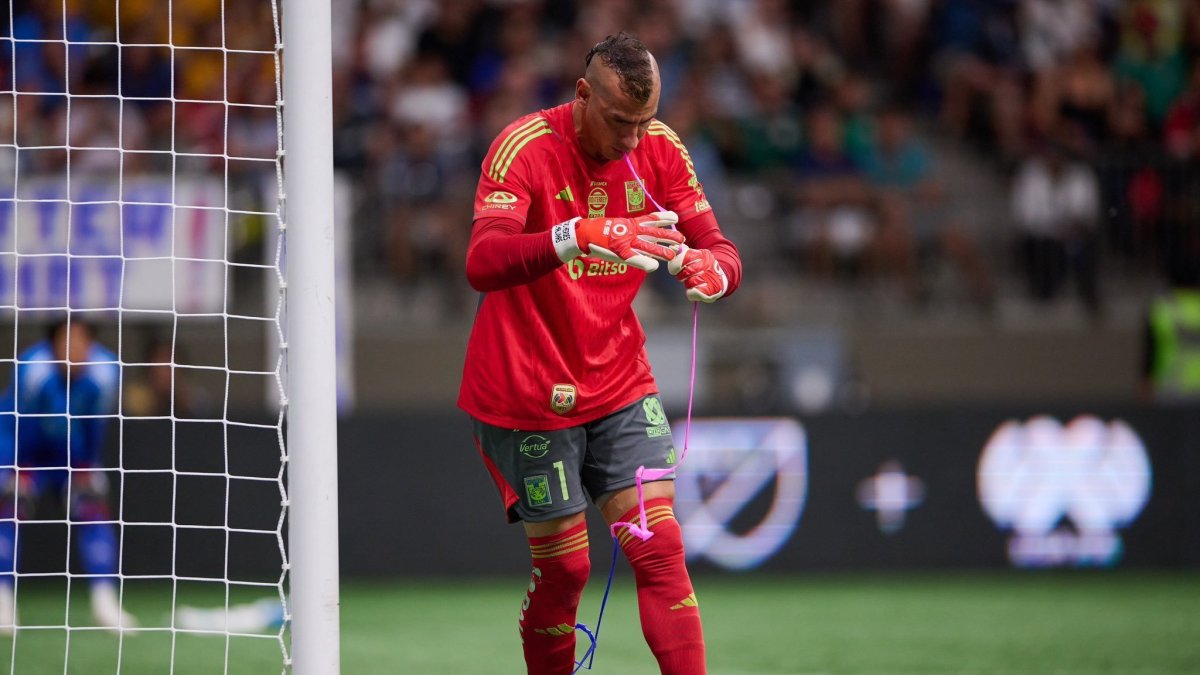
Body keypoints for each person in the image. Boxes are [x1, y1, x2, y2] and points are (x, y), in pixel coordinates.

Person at [458, 32, 741, 675]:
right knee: (567, 569)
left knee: (661, 545)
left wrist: (711, 270)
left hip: (617, 382)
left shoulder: (661, 150)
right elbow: (481, 260)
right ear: (583, 95)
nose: (634, 140)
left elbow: (719, 248)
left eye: (645, 121)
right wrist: (576, 234)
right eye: (620, 121)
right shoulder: (523, 148)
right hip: (525, 390)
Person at [0, 317, 136, 632]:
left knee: (93, 505)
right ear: (52, 345)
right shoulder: (32, 369)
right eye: (66, 341)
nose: (73, 349)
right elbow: (14, 422)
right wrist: (12, 469)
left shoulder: (105, 371)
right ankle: (3, 602)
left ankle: (105, 603)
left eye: (81, 341)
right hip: (28, 454)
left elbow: (94, 427)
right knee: (8, 506)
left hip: (72, 457)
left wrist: (87, 467)